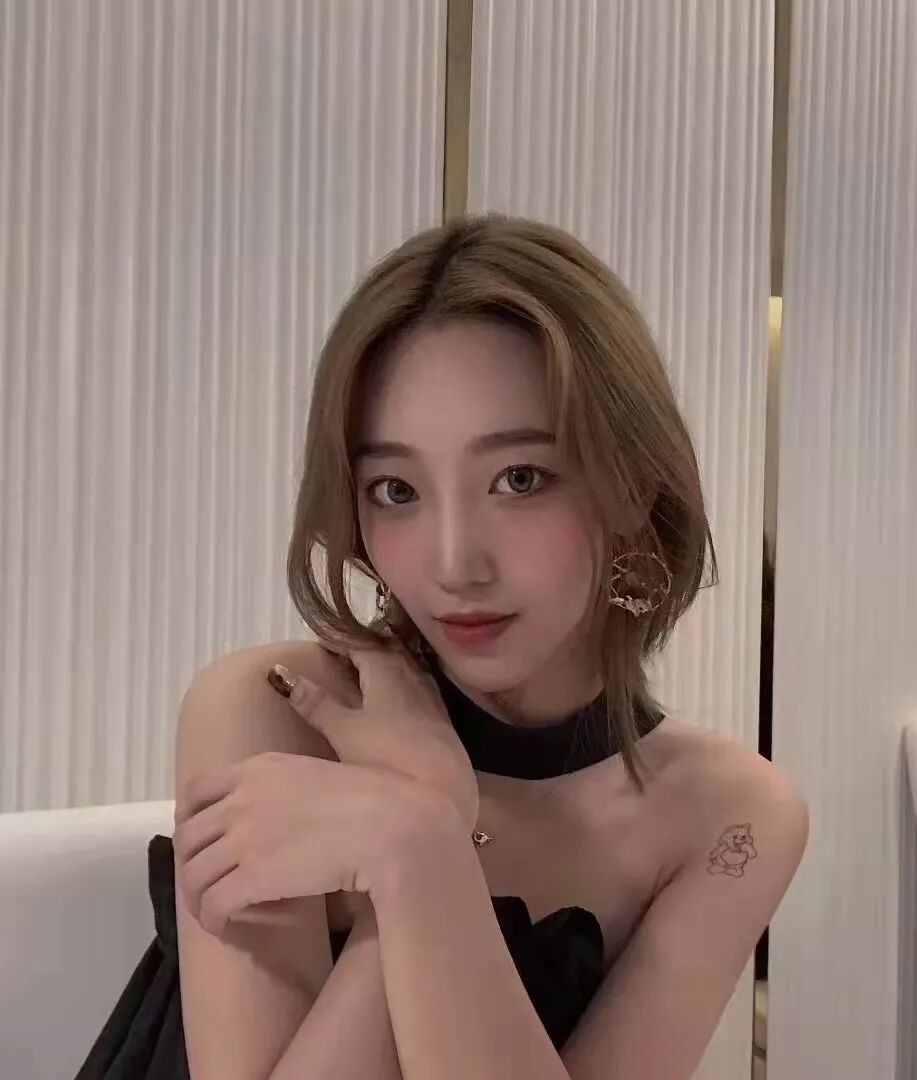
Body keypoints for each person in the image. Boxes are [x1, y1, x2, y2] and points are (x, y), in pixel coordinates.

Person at [79, 213, 808, 1079]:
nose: (456, 563)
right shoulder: (270, 713)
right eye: (396, 490)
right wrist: (429, 825)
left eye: (520, 479)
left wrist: (422, 853)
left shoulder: (729, 816)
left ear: (630, 486)